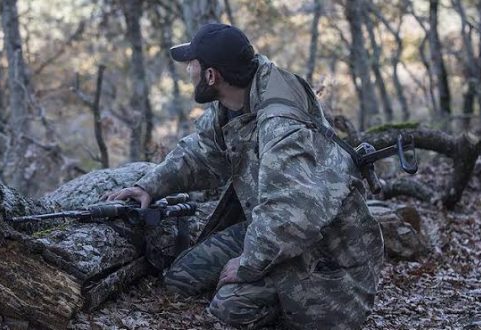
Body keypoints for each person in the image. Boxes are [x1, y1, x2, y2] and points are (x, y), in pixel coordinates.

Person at [107, 23, 384, 329]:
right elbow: (201, 152)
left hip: (328, 256)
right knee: (181, 278)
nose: (188, 72)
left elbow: (290, 213)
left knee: (230, 308)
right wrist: (148, 186)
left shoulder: (280, 124)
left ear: (212, 76)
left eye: (192, 65)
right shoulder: (237, 99)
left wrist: (248, 264)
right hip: (277, 230)